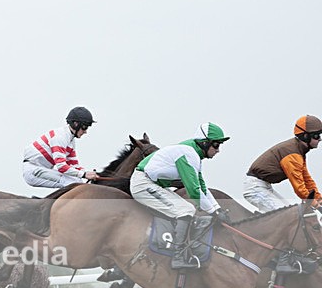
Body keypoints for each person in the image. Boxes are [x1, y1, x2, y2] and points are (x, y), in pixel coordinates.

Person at [130, 122, 230, 269]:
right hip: (143, 184)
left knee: (187, 208)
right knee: (186, 210)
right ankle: (177, 257)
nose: (218, 150)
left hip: (150, 183)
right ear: (204, 143)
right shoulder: (188, 154)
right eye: (216, 145)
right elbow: (194, 191)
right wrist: (213, 211)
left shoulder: (194, 154)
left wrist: (217, 208)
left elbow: (202, 186)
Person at [243, 115, 322, 212]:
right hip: (255, 189)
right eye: (316, 136)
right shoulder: (293, 155)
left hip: (264, 187)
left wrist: (320, 200)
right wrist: (317, 206)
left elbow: (307, 180)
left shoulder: (299, 152)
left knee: (293, 213)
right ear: (305, 136)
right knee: (288, 216)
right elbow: (299, 188)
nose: (319, 139)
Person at [22, 106, 99, 189]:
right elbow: (61, 167)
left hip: (42, 169)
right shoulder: (60, 137)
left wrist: (88, 173)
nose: (85, 132)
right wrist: (84, 174)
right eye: (85, 127)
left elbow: (73, 165)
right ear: (76, 124)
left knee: (77, 180)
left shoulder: (70, 140)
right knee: (72, 183)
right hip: (33, 170)